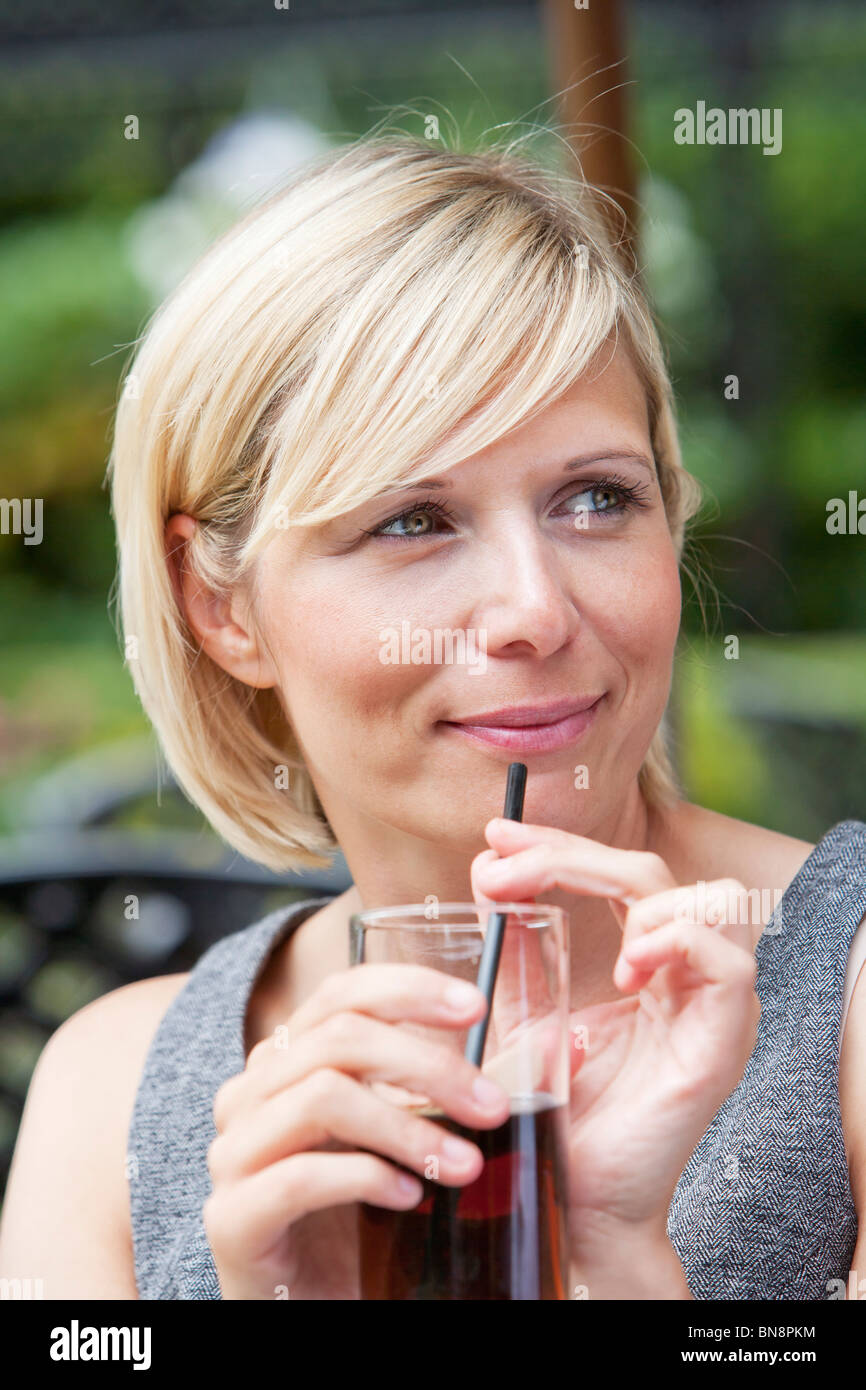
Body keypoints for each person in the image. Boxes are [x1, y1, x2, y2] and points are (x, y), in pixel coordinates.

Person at [2, 132, 865, 1301]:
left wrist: (611, 1263)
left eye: (595, 497)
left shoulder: (844, 989)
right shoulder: (110, 1090)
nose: (531, 609)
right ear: (220, 604)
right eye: (411, 519)